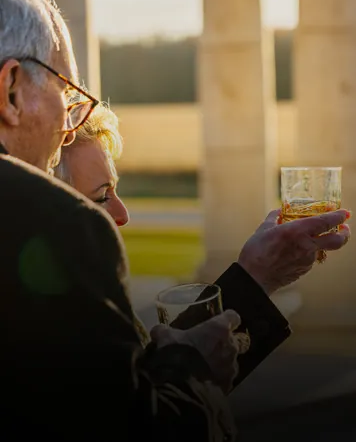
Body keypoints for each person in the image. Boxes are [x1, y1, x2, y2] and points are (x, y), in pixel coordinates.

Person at [0, 0, 243, 441]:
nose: (69, 128)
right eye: (65, 95)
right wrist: (192, 366)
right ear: (11, 90)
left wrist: (257, 274)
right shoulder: (57, 223)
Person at [54, 102, 352, 384]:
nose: (123, 214)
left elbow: (152, 378)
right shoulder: (57, 327)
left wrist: (259, 278)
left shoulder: (85, 297)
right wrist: (257, 276)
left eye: (116, 190)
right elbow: (149, 420)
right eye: (102, 196)